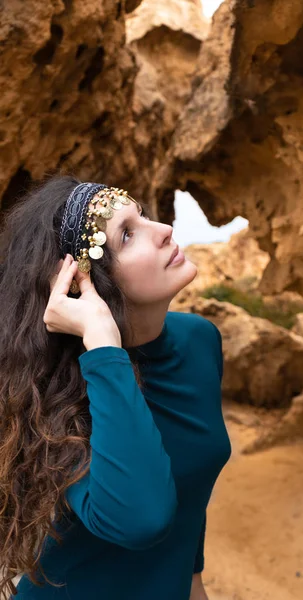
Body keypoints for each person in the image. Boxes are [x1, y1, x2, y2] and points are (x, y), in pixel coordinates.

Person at [0, 175, 232, 600]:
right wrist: (104, 346)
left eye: (142, 216)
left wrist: (193, 580)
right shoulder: (62, 393)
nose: (164, 231)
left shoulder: (200, 340)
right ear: (86, 282)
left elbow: (190, 487)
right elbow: (142, 518)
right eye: (127, 235)